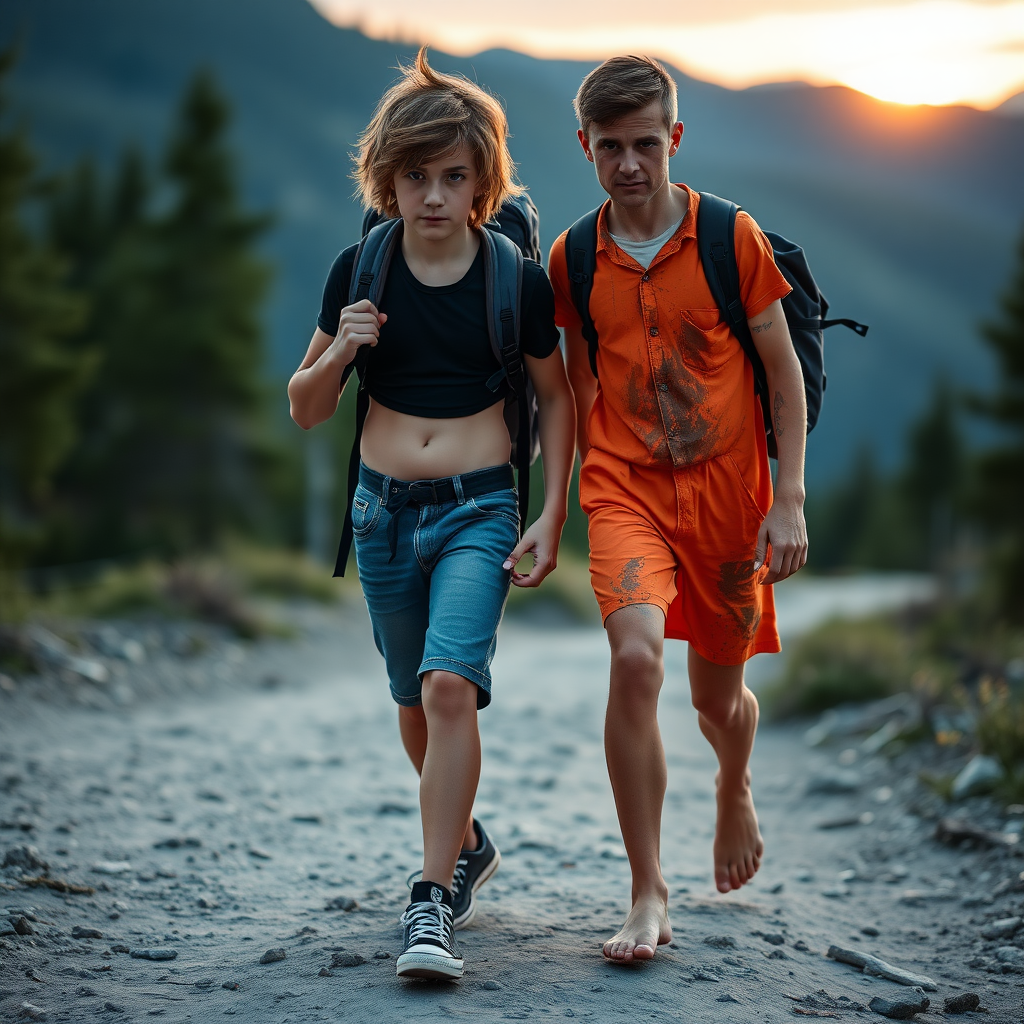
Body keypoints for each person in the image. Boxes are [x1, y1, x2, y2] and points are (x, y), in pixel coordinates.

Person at [287, 48, 575, 981]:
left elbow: (558, 397)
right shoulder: (361, 267)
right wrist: (342, 351)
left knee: (453, 687)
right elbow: (303, 404)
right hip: (379, 515)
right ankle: (467, 840)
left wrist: (550, 510)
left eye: (455, 176)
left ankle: (431, 902)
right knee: (413, 699)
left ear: (484, 182)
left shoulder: (513, 279)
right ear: (389, 179)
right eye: (417, 176)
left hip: (479, 509)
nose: (435, 196)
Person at [547, 55, 808, 963]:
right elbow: (572, 398)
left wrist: (791, 502)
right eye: (610, 147)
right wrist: (551, 510)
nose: (629, 165)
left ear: (675, 139)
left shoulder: (733, 238)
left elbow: (781, 374)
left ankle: (734, 783)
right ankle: (647, 891)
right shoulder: (573, 260)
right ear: (585, 146)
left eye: (645, 144)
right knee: (634, 659)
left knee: (718, 699)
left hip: (731, 502)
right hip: (624, 492)